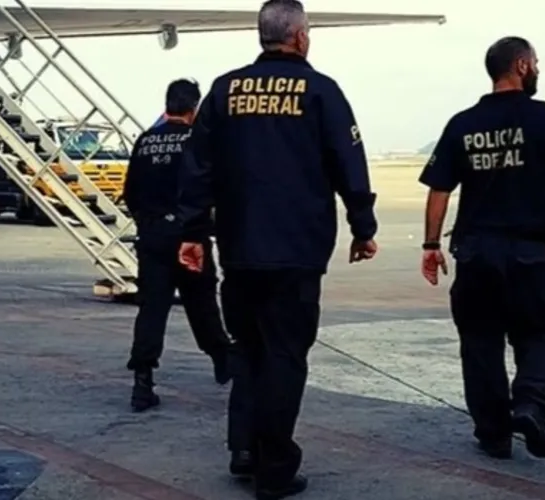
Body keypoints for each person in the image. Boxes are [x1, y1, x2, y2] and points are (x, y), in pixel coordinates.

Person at [176, 1, 378, 497]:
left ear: (262, 35)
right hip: (297, 249)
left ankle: (244, 448)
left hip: (241, 247)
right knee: (286, 354)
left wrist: (192, 232)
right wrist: (362, 224)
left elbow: (197, 166)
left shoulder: (224, 91)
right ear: (301, 37)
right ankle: (275, 466)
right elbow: (348, 161)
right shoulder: (322, 91)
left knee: (248, 349)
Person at [419, 36, 545, 460]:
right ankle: (531, 401)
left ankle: (494, 433)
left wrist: (430, 244)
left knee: (480, 344)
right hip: (532, 252)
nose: (537, 68)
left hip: (476, 254)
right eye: (534, 61)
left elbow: (439, 190)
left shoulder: (462, 123)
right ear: (520, 65)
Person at [122, 78, 233, 413]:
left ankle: (142, 382)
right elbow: (211, 189)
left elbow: (131, 193)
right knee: (202, 305)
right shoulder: (199, 141)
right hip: (191, 237)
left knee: (152, 309)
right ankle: (222, 360)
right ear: (193, 107)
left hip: (153, 237)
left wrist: (148, 222)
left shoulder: (145, 141)